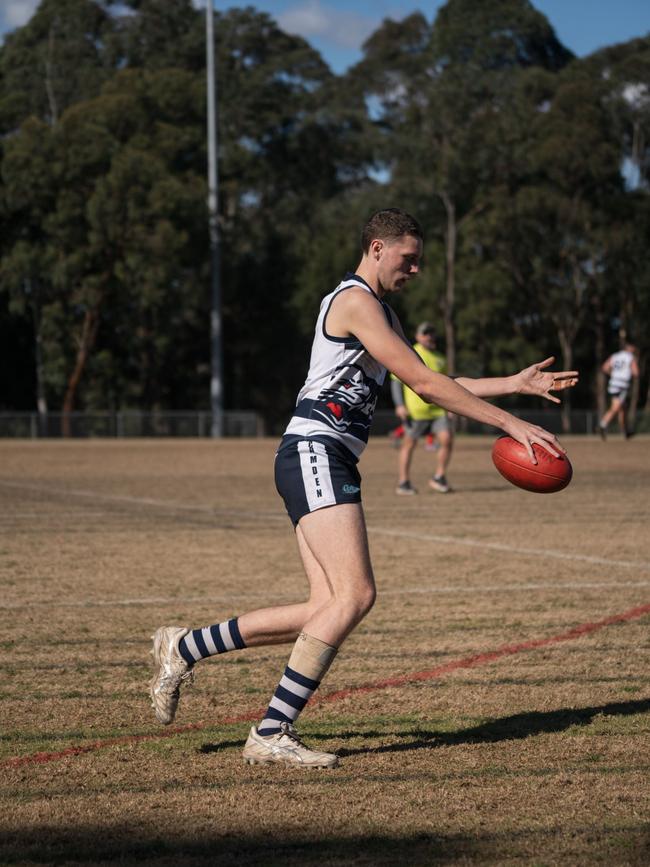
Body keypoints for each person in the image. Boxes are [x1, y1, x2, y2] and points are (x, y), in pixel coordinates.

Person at [148, 208, 578, 770]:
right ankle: (271, 731)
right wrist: (510, 424)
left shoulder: (381, 314)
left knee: (323, 608)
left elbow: (432, 381)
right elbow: (425, 383)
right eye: (409, 258)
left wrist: (513, 385)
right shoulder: (355, 301)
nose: (416, 268)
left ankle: (184, 647)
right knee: (355, 595)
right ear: (377, 248)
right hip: (315, 450)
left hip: (324, 457)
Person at [392, 323, 454, 494]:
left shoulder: (440, 358)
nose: (429, 336)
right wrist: (399, 405)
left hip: (438, 410)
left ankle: (439, 477)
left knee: (447, 439)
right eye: (425, 333)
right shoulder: (410, 352)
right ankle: (403, 482)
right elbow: (396, 381)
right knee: (408, 445)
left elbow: (446, 384)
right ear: (418, 336)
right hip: (415, 412)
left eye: (432, 333)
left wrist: (450, 407)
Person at [598, 342, 639, 440]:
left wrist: (613, 374)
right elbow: (636, 372)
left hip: (614, 384)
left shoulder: (615, 356)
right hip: (622, 386)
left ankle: (626, 432)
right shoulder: (630, 357)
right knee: (615, 408)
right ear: (630, 347)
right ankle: (602, 425)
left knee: (622, 409)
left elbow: (604, 367)